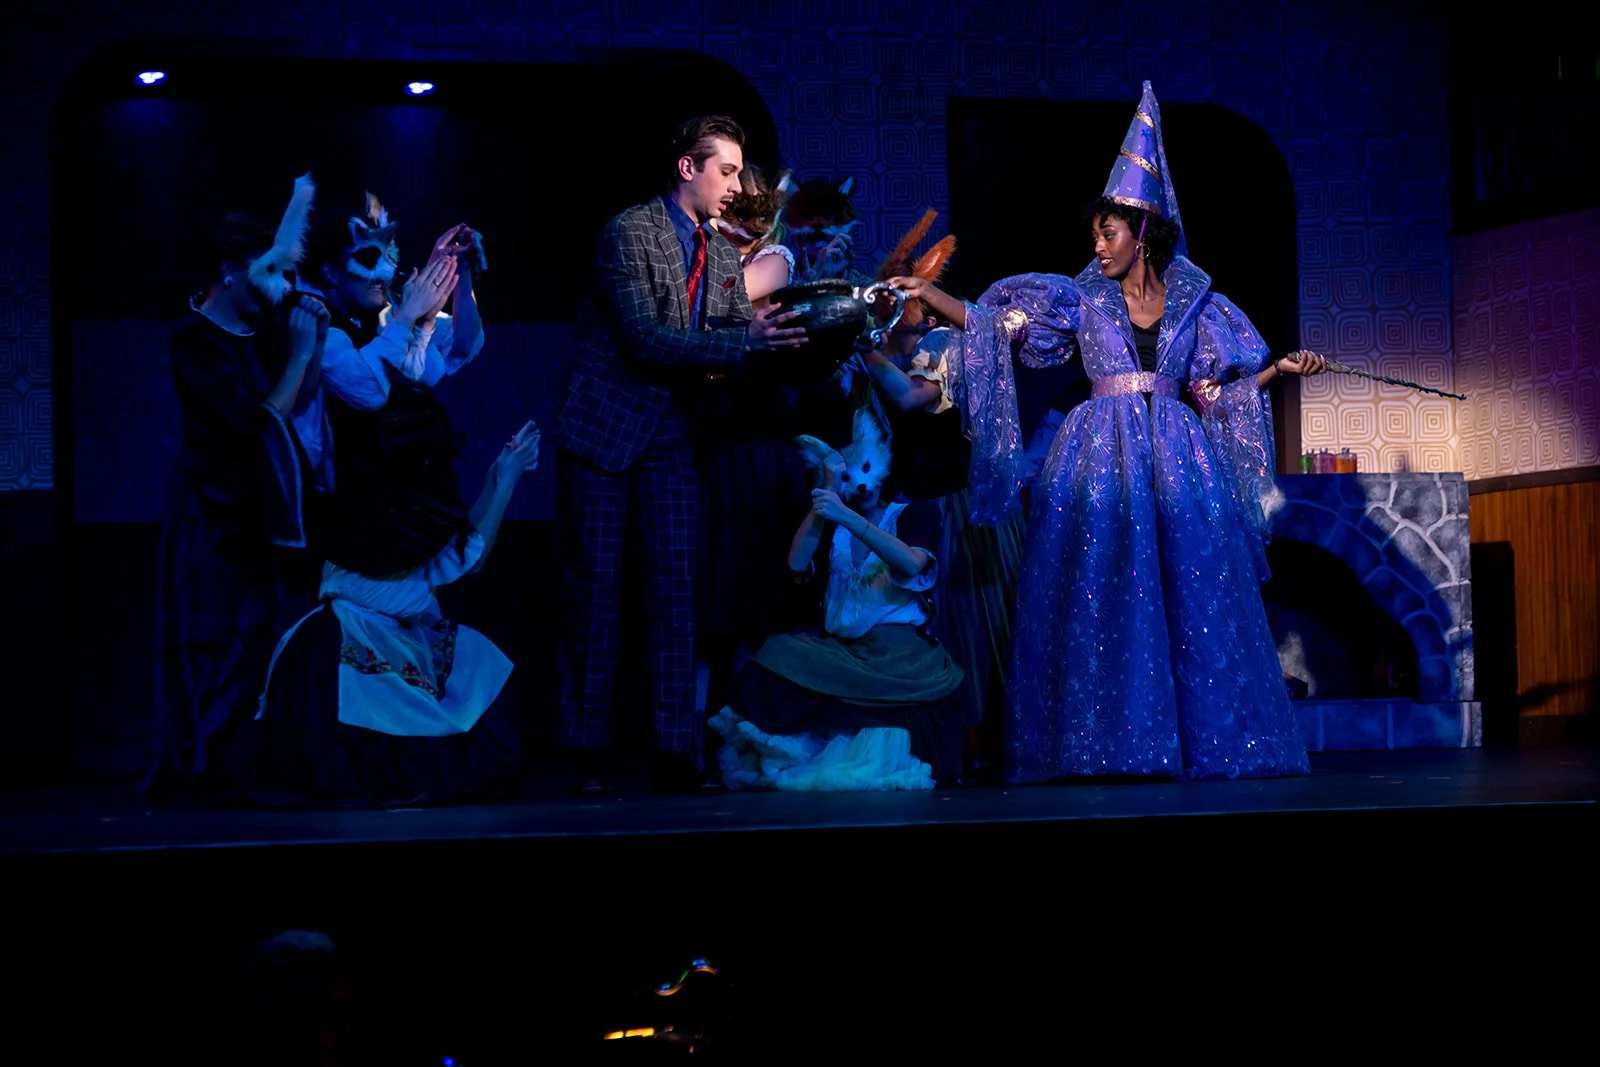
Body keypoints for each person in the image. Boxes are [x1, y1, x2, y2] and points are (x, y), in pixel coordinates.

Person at [892, 81, 1328, 783]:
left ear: (1143, 232)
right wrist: (933, 295)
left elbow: (1213, 394)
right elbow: (1002, 327)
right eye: (1095, 233)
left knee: (1191, 595)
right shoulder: (1077, 299)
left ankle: (1202, 743)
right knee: (1106, 591)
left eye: (1109, 233)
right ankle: (1105, 744)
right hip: (1100, 453)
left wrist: (1277, 369)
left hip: (1178, 456)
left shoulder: (1197, 305)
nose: (1097, 245)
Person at [554, 115, 807, 794]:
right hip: (604, 435)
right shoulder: (630, 232)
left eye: (740, 172)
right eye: (726, 171)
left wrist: (786, 334)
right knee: (595, 597)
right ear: (687, 169)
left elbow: (728, 332)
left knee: (675, 592)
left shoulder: (718, 248)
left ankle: (674, 749)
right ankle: (582, 751)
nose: (738, 186)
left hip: (670, 438)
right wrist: (742, 342)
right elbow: (648, 338)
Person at [145, 175, 328, 801]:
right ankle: (206, 768)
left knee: (257, 636)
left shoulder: (260, 334)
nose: (277, 285)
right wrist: (298, 356)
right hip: (208, 512)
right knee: (210, 639)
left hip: (254, 508)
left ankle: (242, 762)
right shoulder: (194, 340)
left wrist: (310, 344)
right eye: (266, 269)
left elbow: (294, 405)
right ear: (231, 270)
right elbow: (257, 421)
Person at [710, 405, 966, 790]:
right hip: (844, 652)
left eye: (864, 469)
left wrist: (848, 517)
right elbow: (797, 563)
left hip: (898, 657)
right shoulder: (833, 525)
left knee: (878, 750)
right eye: (847, 476)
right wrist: (827, 493)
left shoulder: (912, 514)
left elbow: (913, 565)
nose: (859, 484)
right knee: (775, 654)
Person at [859, 212, 1026, 780]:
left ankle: (985, 741)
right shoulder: (897, 351)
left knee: (975, 623)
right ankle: (949, 742)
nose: (884, 311)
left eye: (894, 299)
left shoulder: (943, 342)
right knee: (936, 625)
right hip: (922, 507)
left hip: (964, 509)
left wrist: (862, 350)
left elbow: (912, 397)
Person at [691, 164, 813, 728]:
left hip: (757, 441)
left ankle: (753, 719)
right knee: (710, 588)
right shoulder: (706, 255)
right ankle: (700, 728)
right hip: (711, 438)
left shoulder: (775, 259)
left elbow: (720, 302)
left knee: (756, 583)